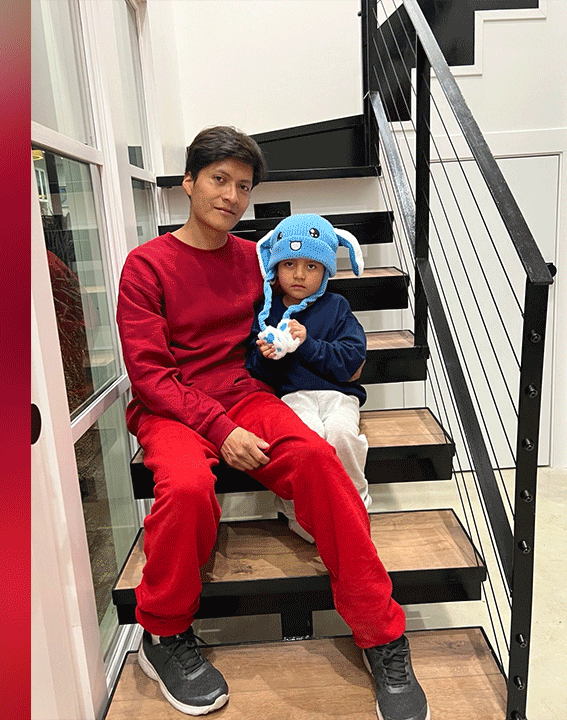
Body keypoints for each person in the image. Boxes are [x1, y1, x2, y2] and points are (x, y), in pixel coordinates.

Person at [116, 126, 429, 720]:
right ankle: (161, 634)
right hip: (172, 407)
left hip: (245, 393)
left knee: (319, 459)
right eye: (218, 180)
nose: (232, 196)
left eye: (243, 186)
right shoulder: (146, 266)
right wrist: (218, 429)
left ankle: (382, 634)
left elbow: (293, 319)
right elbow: (151, 375)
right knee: (186, 488)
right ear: (188, 182)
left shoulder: (254, 261)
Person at [245, 213, 372, 544]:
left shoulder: (337, 307)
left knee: (342, 435)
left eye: (311, 266)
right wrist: (266, 356)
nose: (299, 274)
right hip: (292, 397)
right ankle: (297, 511)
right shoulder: (266, 313)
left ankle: (354, 502)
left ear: (326, 270)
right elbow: (256, 371)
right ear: (275, 268)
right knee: (306, 442)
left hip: (338, 396)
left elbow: (350, 360)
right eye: (289, 264)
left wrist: (306, 343)